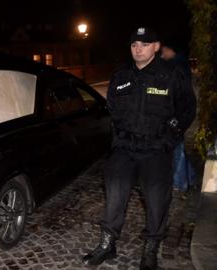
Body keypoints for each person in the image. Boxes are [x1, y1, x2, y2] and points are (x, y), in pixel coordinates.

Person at [82, 27, 196, 270]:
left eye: (144, 44)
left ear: (155, 46)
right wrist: (118, 138)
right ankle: (107, 244)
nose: (138, 48)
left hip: (156, 150)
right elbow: (111, 107)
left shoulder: (171, 74)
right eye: (134, 44)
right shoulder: (121, 75)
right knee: (114, 198)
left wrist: (170, 137)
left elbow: (187, 108)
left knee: (157, 202)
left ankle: (151, 249)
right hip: (124, 148)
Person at [161, 42, 196, 192]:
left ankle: (179, 183)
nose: (162, 55)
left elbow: (183, 97)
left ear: (171, 50)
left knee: (177, 150)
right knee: (178, 149)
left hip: (177, 117)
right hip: (178, 117)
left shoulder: (176, 68)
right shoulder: (178, 64)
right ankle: (191, 178)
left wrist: (178, 121)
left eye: (164, 51)